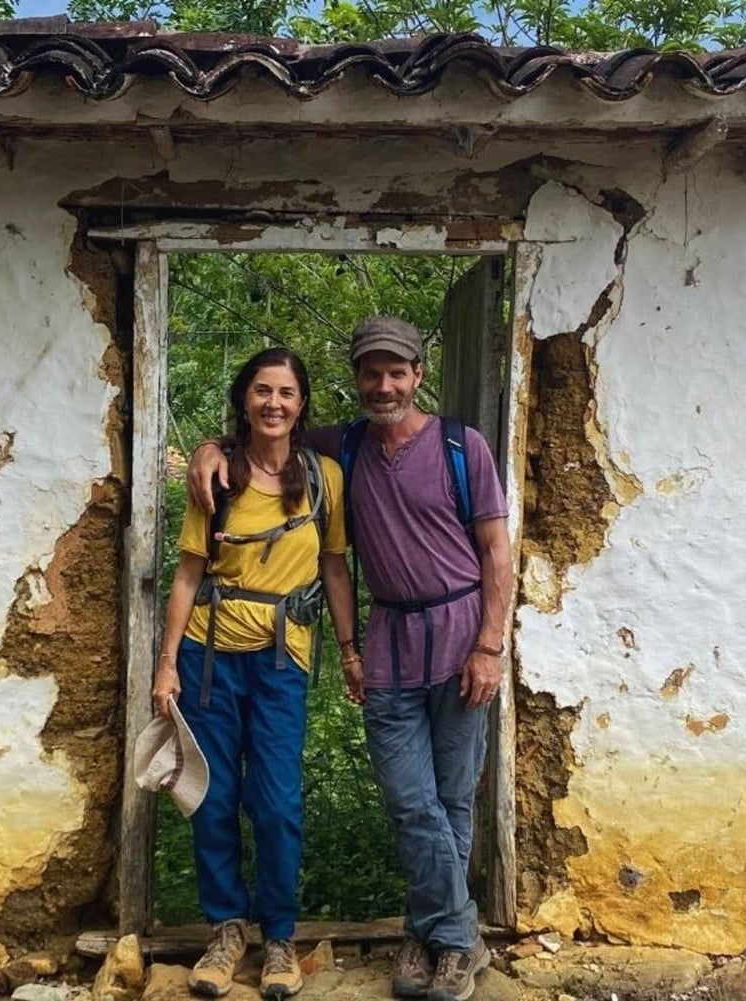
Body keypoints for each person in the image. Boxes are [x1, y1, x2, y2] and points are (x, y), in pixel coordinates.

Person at [187, 318, 514, 1001]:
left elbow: (496, 552)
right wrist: (209, 446)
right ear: (358, 381)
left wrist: (489, 644)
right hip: (390, 645)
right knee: (413, 803)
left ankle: (435, 939)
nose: (384, 384)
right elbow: (270, 433)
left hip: (461, 641)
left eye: (397, 372)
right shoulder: (347, 447)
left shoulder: (463, 447)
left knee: (452, 799)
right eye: (372, 373)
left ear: (419, 375)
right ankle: (459, 935)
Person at [154, 347, 356, 1001]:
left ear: (301, 404)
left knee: (275, 804)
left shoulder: (324, 476)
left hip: (281, 661)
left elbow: (332, 568)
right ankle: (225, 930)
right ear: (246, 398)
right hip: (207, 660)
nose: (274, 402)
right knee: (211, 798)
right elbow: (188, 571)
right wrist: (165, 666)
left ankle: (278, 937)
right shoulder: (216, 477)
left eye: (287, 392)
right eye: (263, 390)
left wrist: (350, 650)